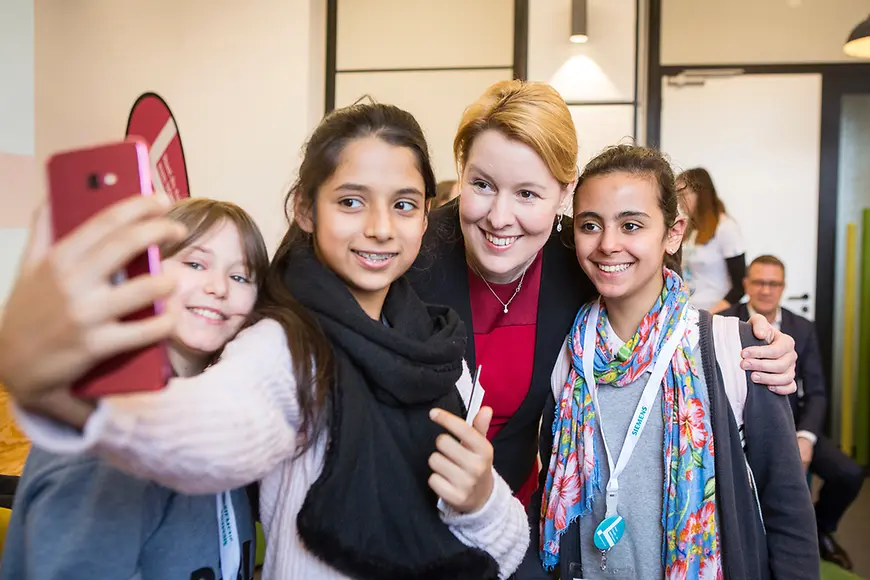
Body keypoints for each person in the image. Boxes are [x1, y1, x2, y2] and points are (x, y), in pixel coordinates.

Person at [3, 104, 529, 580]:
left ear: (427, 212)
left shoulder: (436, 350)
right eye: (350, 201)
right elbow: (214, 431)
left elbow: (506, 550)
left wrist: (480, 499)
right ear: (304, 209)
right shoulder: (286, 345)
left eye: (405, 205)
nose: (380, 228)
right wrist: (74, 398)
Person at [409, 80, 799, 507]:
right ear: (461, 174)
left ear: (564, 192)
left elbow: (657, 308)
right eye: (482, 185)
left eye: (526, 193)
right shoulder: (412, 256)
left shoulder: (579, 258)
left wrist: (758, 343)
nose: (500, 218)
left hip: (514, 517)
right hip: (405, 507)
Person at [523, 145, 818, 580]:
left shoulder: (733, 351)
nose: (608, 244)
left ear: (673, 232)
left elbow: (787, 513)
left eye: (631, 224)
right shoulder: (567, 355)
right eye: (590, 225)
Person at [0, 198, 269, 580]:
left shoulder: (214, 424)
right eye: (195, 263)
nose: (219, 287)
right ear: (144, 273)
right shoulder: (108, 437)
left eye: (242, 276)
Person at [723, 255, 865, 571]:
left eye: (773, 283)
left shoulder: (804, 328)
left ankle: (821, 529)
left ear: (783, 288)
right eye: (759, 282)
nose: (766, 290)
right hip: (742, 429)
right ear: (746, 285)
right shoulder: (722, 323)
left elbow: (816, 392)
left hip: (795, 426)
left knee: (850, 475)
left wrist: (806, 438)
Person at [677, 167, 746, 313]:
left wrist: (711, 315)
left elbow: (740, 287)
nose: (679, 201)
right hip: (690, 311)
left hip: (715, 314)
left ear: (700, 194)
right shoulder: (690, 229)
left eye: (683, 194)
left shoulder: (725, 228)